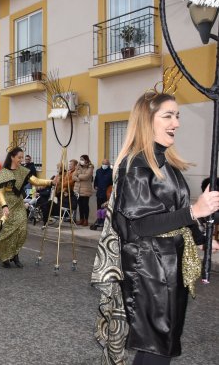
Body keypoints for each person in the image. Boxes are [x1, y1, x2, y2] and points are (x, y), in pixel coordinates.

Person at [109, 92, 219, 364]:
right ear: (147, 121)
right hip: (149, 270)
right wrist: (196, 210)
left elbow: (173, 215)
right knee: (155, 348)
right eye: (168, 115)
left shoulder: (165, 164)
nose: (176, 123)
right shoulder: (136, 165)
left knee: (159, 347)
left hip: (167, 267)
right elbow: (142, 223)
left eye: (178, 115)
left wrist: (203, 239)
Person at [0, 146, 52, 268]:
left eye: (22, 157)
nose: (21, 159)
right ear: (12, 157)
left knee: (22, 230)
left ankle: (15, 254)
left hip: (18, 203)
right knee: (7, 232)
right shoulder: (3, 173)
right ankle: (5, 256)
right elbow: (0, 192)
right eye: (19, 157)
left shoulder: (23, 171)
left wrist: (50, 182)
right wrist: (4, 206)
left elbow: (35, 181)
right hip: (5, 203)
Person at [72, 154, 94, 226]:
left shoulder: (90, 167)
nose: (81, 161)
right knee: (80, 205)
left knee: (85, 205)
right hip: (78, 190)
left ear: (86, 160)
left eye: (82, 159)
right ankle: (81, 219)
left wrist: (78, 176)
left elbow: (87, 176)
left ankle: (86, 220)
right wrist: (78, 177)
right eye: (80, 159)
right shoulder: (78, 166)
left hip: (86, 189)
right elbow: (73, 176)